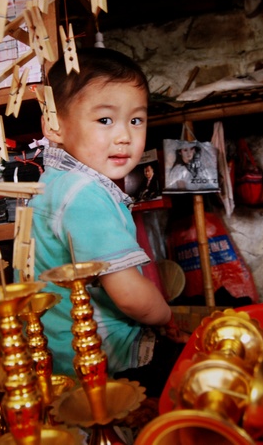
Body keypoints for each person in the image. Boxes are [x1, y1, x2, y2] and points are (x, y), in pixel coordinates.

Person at [30, 47, 185, 397]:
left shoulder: (52, 183)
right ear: (54, 125)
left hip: (52, 349)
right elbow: (129, 296)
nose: (124, 136)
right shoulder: (84, 194)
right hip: (100, 354)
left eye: (136, 120)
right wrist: (165, 316)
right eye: (105, 120)